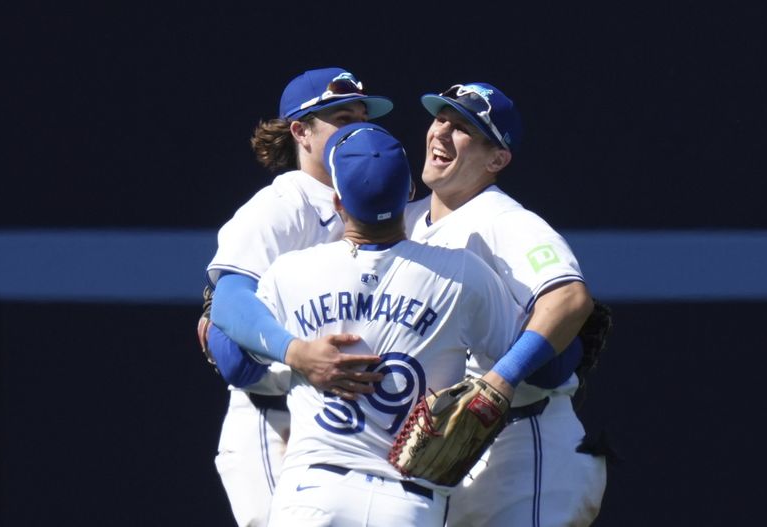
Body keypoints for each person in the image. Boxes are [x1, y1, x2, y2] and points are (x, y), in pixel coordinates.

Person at [256, 122, 522, 526]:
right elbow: (543, 360)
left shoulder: (289, 273)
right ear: (410, 193)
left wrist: (291, 352)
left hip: (313, 493)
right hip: (408, 502)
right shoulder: (463, 274)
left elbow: (235, 359)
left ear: (338, 202)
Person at [403, 82, 607, 526]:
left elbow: (569, 298)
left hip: (523, 444)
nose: (441, 133)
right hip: (440, 455)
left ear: (496, 159)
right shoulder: (405, 221)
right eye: (441, 118)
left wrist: (501, 379)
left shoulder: (505, 220)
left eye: (463, 128)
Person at [200, 66, 394, 526]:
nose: (357, 130)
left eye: (363, 119)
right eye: (342, 120)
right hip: (275, 421)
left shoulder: (384, 202)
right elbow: (229, 314)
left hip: (356, 422)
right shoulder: (283, 205)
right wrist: (297, 354)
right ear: (300, 132)